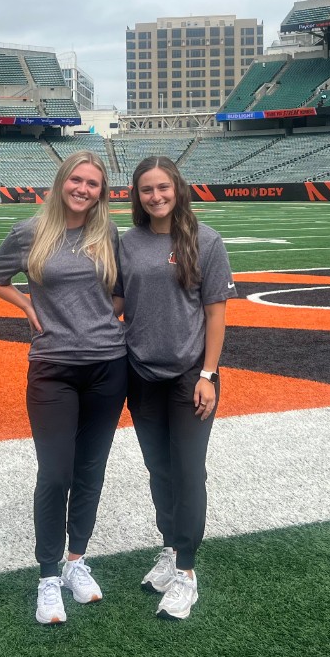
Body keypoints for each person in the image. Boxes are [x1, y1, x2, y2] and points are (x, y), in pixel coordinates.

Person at [0, 150, 127, 625]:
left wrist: (103, 321)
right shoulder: (30, 231)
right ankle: (47, 576)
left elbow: (121, 290)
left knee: (91, 470)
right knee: (55, 473)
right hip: (53, 366)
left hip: (108, 364)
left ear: (101, 191)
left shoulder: (107, 232)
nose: (84, 189)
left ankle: (75, 562)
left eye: (93, 184)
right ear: (62, 181)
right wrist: (26, 306)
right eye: (77, 180)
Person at [119, 156, 235, 620]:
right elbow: (116, 304)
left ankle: (187, 571)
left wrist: (208, 375)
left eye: (163, 187)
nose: (156, 196)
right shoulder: (127, 242)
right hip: (140, 372)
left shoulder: (205, 240)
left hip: (191, 376)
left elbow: (216, 315)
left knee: (188, 472)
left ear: (177, 189)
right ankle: (169, 548)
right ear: (137, 195)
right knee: (159, 471)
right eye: (147, 190)